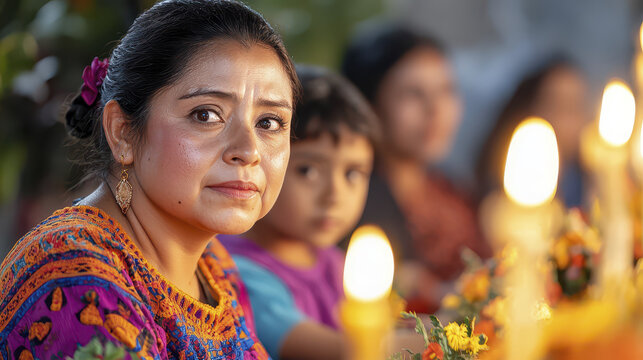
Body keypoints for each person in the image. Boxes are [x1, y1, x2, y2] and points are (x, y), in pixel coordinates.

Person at [0, 1, 301, 358]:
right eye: (206, 115)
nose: (248, 150)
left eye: (269, 122)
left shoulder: (214, 267)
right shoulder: (74, 278)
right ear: (123, 132)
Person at [220, 66, 380, 360]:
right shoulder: (238, 272)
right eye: (308, 171)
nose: (334, 195)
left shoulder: (335, 263)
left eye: (353, 173)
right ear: (264, 161)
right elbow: (338, 352)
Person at [341, 24, 491, 313]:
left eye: (446, 90)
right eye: (413, 93)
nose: (435, 109)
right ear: (369, 105)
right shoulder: (348, 202)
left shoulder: (453, 190)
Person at [476, 57, 590, 207]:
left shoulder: (587, 182)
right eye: (557, 105)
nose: (569, 118)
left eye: (576, 106)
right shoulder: (502, 194)